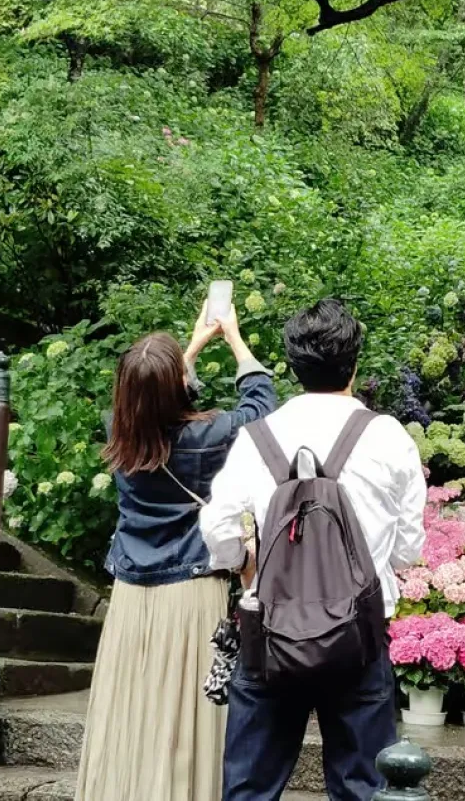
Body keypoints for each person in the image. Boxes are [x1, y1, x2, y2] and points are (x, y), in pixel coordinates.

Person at [200, 298, 427, 801]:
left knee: (250, 789)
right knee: (363, 787)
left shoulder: (257, 436)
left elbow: (217, 531)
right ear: (355, 362)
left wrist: (244, 562)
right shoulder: (388, 437)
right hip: (359, 636)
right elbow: (409, 550)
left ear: (292, 365)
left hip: (269, 635)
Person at [75, 298, 276, 801]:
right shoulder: (210, 435)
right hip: (189, 590)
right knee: (182, 711)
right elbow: (261, 405)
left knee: (132, 708)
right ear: (177, 385)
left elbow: (154, 398)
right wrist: (230, 338)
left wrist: (188, 346)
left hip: (130, 594)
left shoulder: (118, 430)